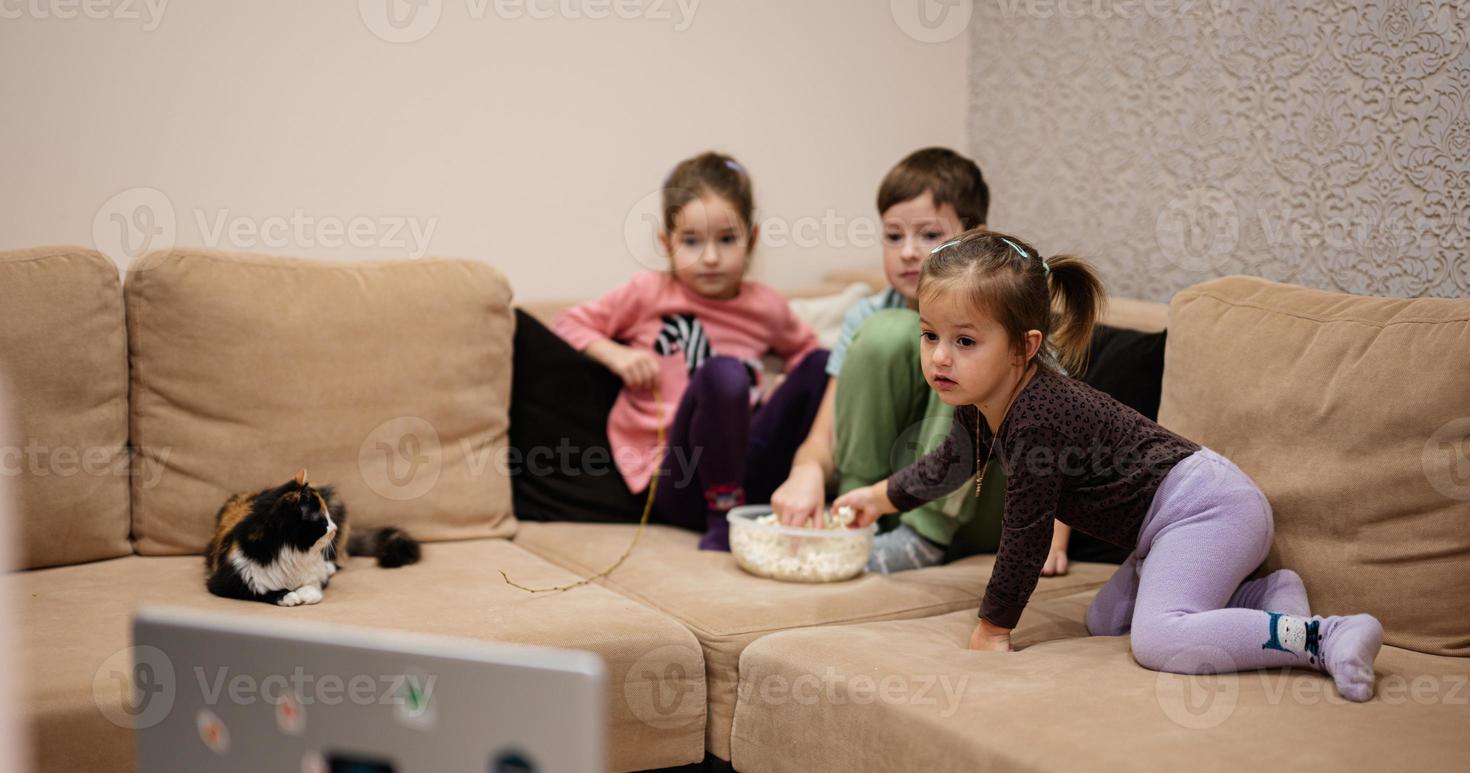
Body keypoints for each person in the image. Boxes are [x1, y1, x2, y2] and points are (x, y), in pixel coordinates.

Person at [833, 229, 1382, 701]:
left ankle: (1325, 637)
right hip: (1167, 526)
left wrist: (994, 627)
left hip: (1208, 508)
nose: (939, 357)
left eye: (965, 341)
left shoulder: (1037, 413)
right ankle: (1267, 597)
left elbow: (1026, 533)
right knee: (1105, 622)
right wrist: (878, 497)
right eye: (930, 335)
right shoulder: (984, 403)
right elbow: (949, 464)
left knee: (1159, 641)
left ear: (1024, 347)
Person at [769, 147, 1073, 574]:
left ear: (974, 238)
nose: (908, 252)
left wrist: (1054, 538)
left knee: (958, 349)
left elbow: (1057, 438)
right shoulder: (868, 315)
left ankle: (924, 535)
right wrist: (806, 473)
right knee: (889, 330)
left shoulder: (1012, 321)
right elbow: (825, 436)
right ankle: (854, 522)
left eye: (929, 235)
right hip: (884, 506)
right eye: (894, 236)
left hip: (986, 508)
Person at [551, 151, 825, 550]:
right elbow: (567, 323)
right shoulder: (648, 293)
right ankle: (722, 519)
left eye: (727, 239)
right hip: (676, 478)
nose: (710, 257)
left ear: (752, 238)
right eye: (692, 241)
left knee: (823, 363)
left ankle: (783, 498)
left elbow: (807, 352)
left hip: (748, 464)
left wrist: (780, 382)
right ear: (667, 243)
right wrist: (619, 355)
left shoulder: (765, 305)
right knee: (721, 373)